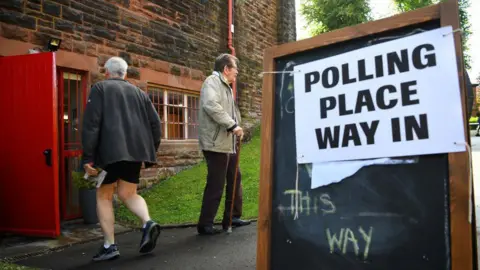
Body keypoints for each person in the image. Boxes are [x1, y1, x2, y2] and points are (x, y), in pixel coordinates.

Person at [81, 56, 162, 261]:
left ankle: (110, 246)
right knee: (129, 193)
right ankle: (147, 222)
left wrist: (88, 157)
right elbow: (156, 124)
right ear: (125, 73)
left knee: (104, 196)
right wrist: (151, 150)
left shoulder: (100, 89)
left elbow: (92, 124)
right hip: (135, 153)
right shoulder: (139, 93)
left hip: (109, 153)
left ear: (106, 72)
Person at [196, 53, 251, 235]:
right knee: (216, 183)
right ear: (226, 68)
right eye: (235, 69)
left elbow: (231, 111)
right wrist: (232, 125)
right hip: (215, 143)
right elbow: (211, 105)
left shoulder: (226, 86)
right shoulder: (212, 82)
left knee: (235, 178)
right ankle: (205, 224)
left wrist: (237, 125)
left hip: (228, 141)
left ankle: (232, 217)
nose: (237, 73)